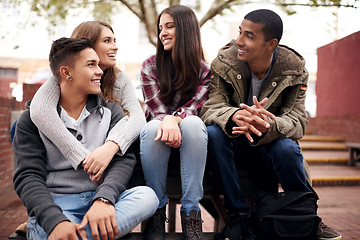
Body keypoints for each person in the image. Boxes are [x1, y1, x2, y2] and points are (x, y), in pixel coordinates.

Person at [200, 9, 342, 240]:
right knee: (214, 133)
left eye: (249, 36)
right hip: (234, 142)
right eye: (239, 32)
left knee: (287, 147)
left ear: (271, 44)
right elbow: (211, 107)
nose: (239, 41)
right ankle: (237, 217)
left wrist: (268, 123)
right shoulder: (225, 61)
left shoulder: (293, 69)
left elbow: (298, 119)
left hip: (269, 144)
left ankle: (307, 216)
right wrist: (235, 115)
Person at [13, 37, 158, 240]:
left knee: (147, 197)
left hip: (101, 201)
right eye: (91, 64)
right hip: (58, 204)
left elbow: (122, 160)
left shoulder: (110, 111)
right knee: (54, 227)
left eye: (98, 64)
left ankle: (70, 234)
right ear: (66, 72)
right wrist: (55, 221)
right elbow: (28, 176)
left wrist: (104, 199)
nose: (100, 71)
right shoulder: (32, 120)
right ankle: (74, 231)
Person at [29, 21, 146, 182]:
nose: (115, 46)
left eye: (114, 40)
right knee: (21, 126)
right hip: (78, 154)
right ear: (88, 45)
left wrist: (111, 147)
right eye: (107, 41)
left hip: (112, 151)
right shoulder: (63, 75)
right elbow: (40, 110)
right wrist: (85, 160)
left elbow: (138, 118)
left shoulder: (120, 80)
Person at [139, 5, 211, 240]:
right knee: (151, 128)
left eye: (170, 26)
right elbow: (155, 110)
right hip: (157, 141)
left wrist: (175, 118)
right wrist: (168, 120)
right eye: (161, 28)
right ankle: (155, 213)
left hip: (190, 142)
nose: (163, 33)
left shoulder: (204, 72)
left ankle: (191, 212)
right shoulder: (150, 66)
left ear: (187, 30)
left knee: (193, 123)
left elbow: (196, 108)